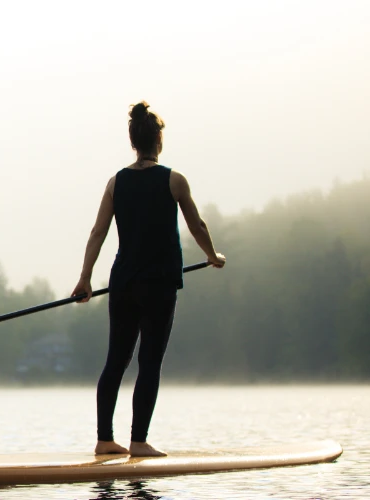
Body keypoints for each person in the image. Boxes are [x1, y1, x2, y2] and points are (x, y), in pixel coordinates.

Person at [71, 101, 226, 457]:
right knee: (149, 363)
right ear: (158, 139)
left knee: (116, 361)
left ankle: (104, 440)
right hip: (158, 284)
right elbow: (197, 225)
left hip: (123, 282)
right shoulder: (174, 180)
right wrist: (212, 256)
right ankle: (138, 441)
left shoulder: (116, 182)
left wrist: (85, 278)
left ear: (132, 141)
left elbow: (97, 233)